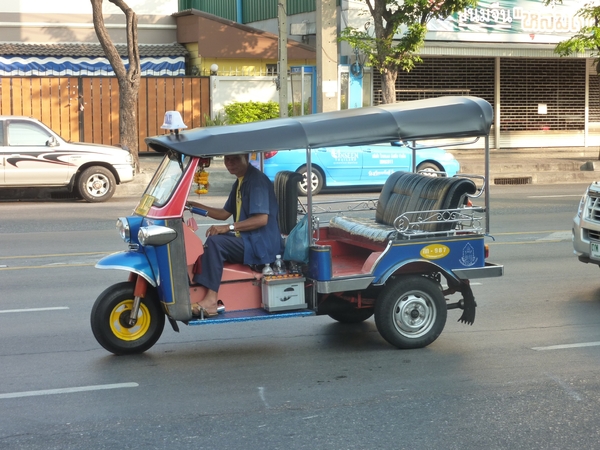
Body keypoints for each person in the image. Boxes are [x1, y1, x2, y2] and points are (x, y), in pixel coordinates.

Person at [187, 153, 283, 318]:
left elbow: (261, 219)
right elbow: (224, 213)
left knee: (216, 243)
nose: (230, 163)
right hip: (248, 238)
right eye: (227, 159)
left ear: (246, 157)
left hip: (261, 244)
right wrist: (192, 205)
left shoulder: (256, 181)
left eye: (235, 159)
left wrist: (229, 227)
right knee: (212, 240)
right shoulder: (240, 181)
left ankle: (210, 301)